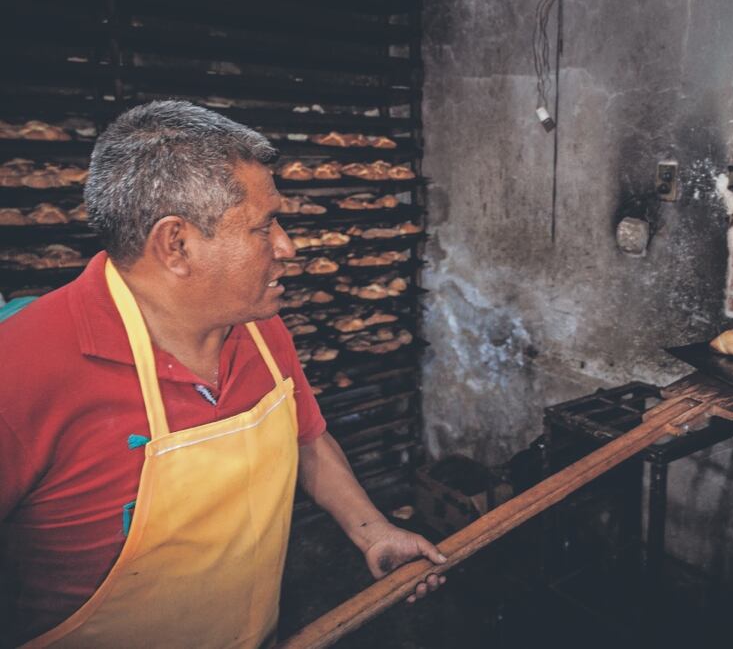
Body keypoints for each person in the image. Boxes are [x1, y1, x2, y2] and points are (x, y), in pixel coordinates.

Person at [0, 100, 445, 648]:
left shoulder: (259, 327)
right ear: (176, 245)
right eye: (264, 227)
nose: (288, 246)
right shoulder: (19, 371)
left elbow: (306, 436)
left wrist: (372, 531)